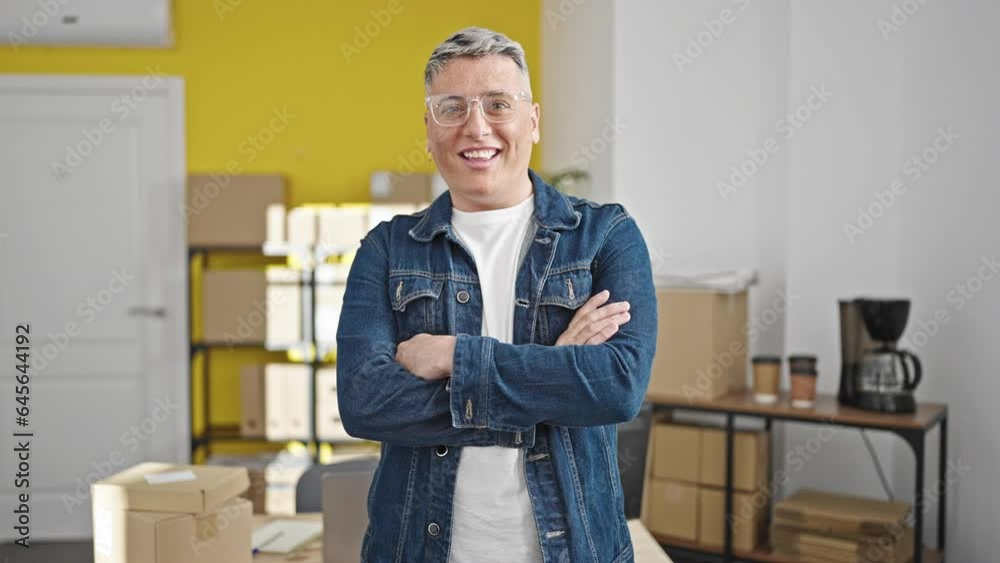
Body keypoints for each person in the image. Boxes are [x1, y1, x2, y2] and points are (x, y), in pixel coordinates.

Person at [336, 26, 658, 563]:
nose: (476, 127)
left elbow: (617, 388)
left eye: (498, 104)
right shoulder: (388, 249)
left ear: (532, 120)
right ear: (429, 127)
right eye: (453, 107)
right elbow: (365, 403)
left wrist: (454, 357)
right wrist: (556, 370)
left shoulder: (605, 236)